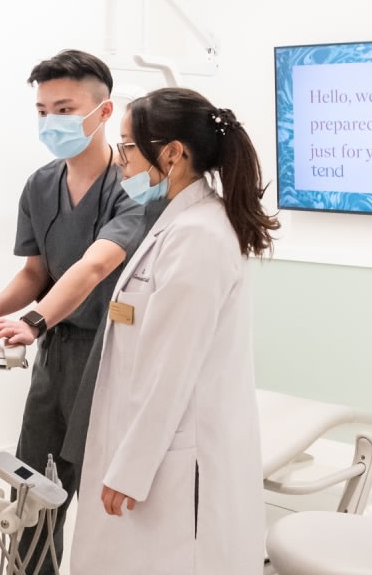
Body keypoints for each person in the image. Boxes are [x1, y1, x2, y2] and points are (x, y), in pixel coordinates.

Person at [0, 50, 158, 573]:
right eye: (41, 110)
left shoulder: (136, 185)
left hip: (112, 356)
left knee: (104, 489)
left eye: (63, 108)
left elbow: (95, 266)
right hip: (57, 355)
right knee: (32, 485)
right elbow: (39, 273)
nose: (50, 121)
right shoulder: (40, 184)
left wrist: (32, 321)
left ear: (104, 113)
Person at [70, 87, 280, 573]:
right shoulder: (177, 225)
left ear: (172, 154)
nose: (119, 161)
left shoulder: (198, 237)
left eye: (127, 146)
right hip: (157, 450)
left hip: (180, 464)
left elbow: (171, 371)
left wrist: (130, 468)